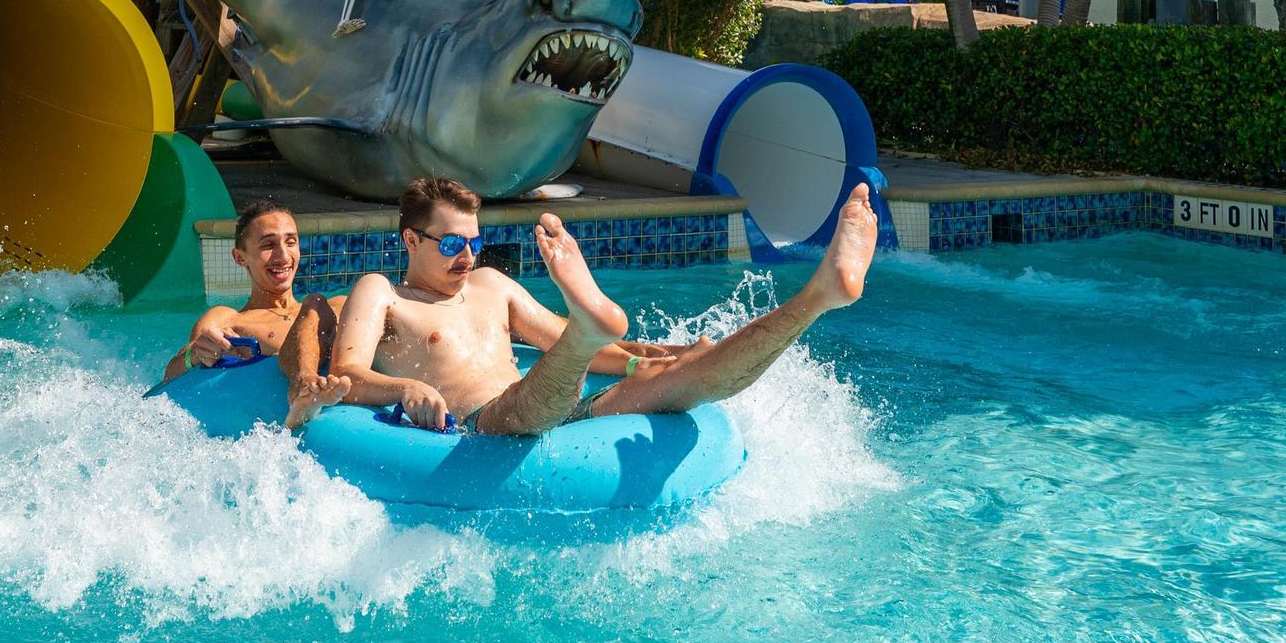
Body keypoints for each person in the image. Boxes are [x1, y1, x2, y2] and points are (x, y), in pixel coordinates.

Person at [329, 173, 878, 436]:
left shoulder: (493, 285)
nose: (466, 256)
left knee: (691, 374)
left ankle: (817, 296)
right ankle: (586, 328)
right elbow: (345, 373)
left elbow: (589, 352)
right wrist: (406, 387)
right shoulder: (382, 292)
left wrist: (650, 358)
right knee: (546, 377)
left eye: (473, 243)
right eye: (451, 244)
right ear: (410, 241)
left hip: (556, 408)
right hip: (483, 425)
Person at [162, 200, 350, 428]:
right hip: (271, 418)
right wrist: (196, 353)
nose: (283, 256)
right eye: (268, 245)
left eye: (291, 242)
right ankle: (304, 387)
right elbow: (172, 377)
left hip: (344, 404)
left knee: (316, 303)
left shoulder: (336, 307)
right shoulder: (229, 319)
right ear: (240, 257)